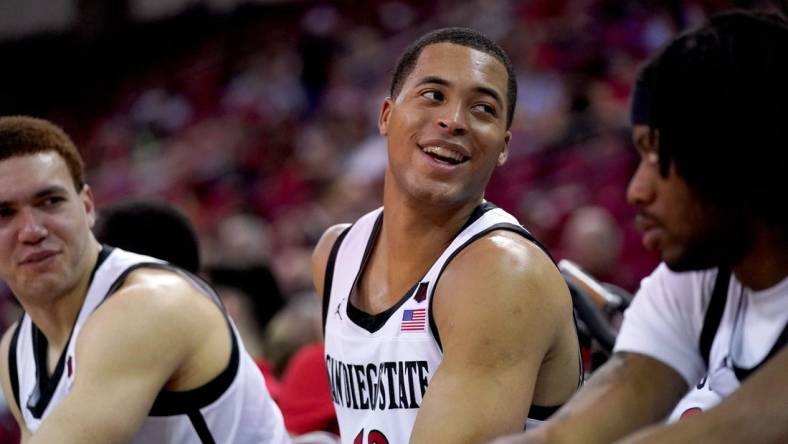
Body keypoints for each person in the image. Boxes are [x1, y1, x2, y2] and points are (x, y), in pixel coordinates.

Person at [493, 10, 788, 444]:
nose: (636, 191)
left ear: (733, 156)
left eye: (657, 155)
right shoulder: (694, 283)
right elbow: (574, 432)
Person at [312, 27, 581, 444]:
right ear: (386, 116)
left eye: (483, 109)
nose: (453, 121)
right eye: (433, 95)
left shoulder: (505, 274)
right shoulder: (335, 255)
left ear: (504, 147)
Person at [0, 116, 289, 443]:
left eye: (50, 201)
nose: (32, 231)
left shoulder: (151, 303)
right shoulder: (15, 349)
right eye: (4, 213)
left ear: (87, 206)